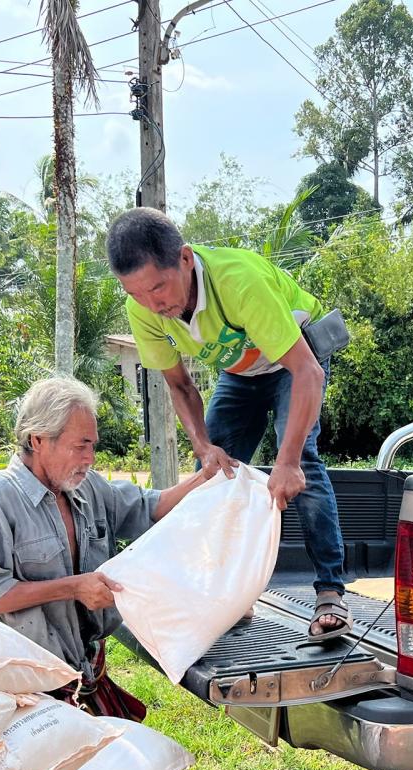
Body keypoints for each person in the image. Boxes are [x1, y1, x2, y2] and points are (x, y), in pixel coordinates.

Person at [105, 207, 351, 640]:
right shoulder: (142, 308)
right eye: (137, 294)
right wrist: (203, 447)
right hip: (241, 370)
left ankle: (330, 590)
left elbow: (308, 373)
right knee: (214, 474)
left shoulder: (238, 281)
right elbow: (180, 387)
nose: (153, 305)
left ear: (183, 259)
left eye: (159, 288)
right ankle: (231, 595)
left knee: (303, 463)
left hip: (296, 356)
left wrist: (287, 461)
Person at [0, 377, 203, 719]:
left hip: (84, 668)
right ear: (38, 439)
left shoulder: (87, 489)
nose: (90, 458)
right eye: (80, 446)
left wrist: (206, 477)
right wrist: (73, 588)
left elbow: (149, 508)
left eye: (93, 446)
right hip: (29, 685)